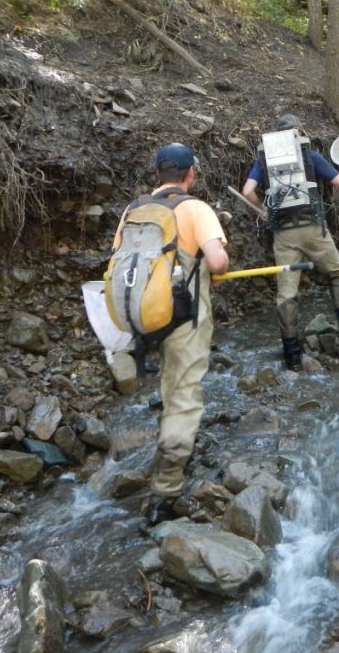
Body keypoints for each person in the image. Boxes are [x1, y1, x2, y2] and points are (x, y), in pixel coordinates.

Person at [114, 143, 230, 525]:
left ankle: (170, 444)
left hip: (143, 317)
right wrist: (217, 265)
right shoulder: (195, 208)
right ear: (190, 173)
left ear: (157, 174)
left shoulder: (134, 210)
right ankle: (164, 494)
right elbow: (217, 262)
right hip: (184, 317)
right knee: (184, 397)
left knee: (169, 382)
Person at [241, 114, 339, 371]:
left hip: (284, 235)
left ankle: (292, 356)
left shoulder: (264, 161)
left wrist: (263, 210)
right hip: (314, 230)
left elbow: (247, 191)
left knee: (287, 295)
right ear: (300, 132)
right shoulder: (310, 156)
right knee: (336, 274)